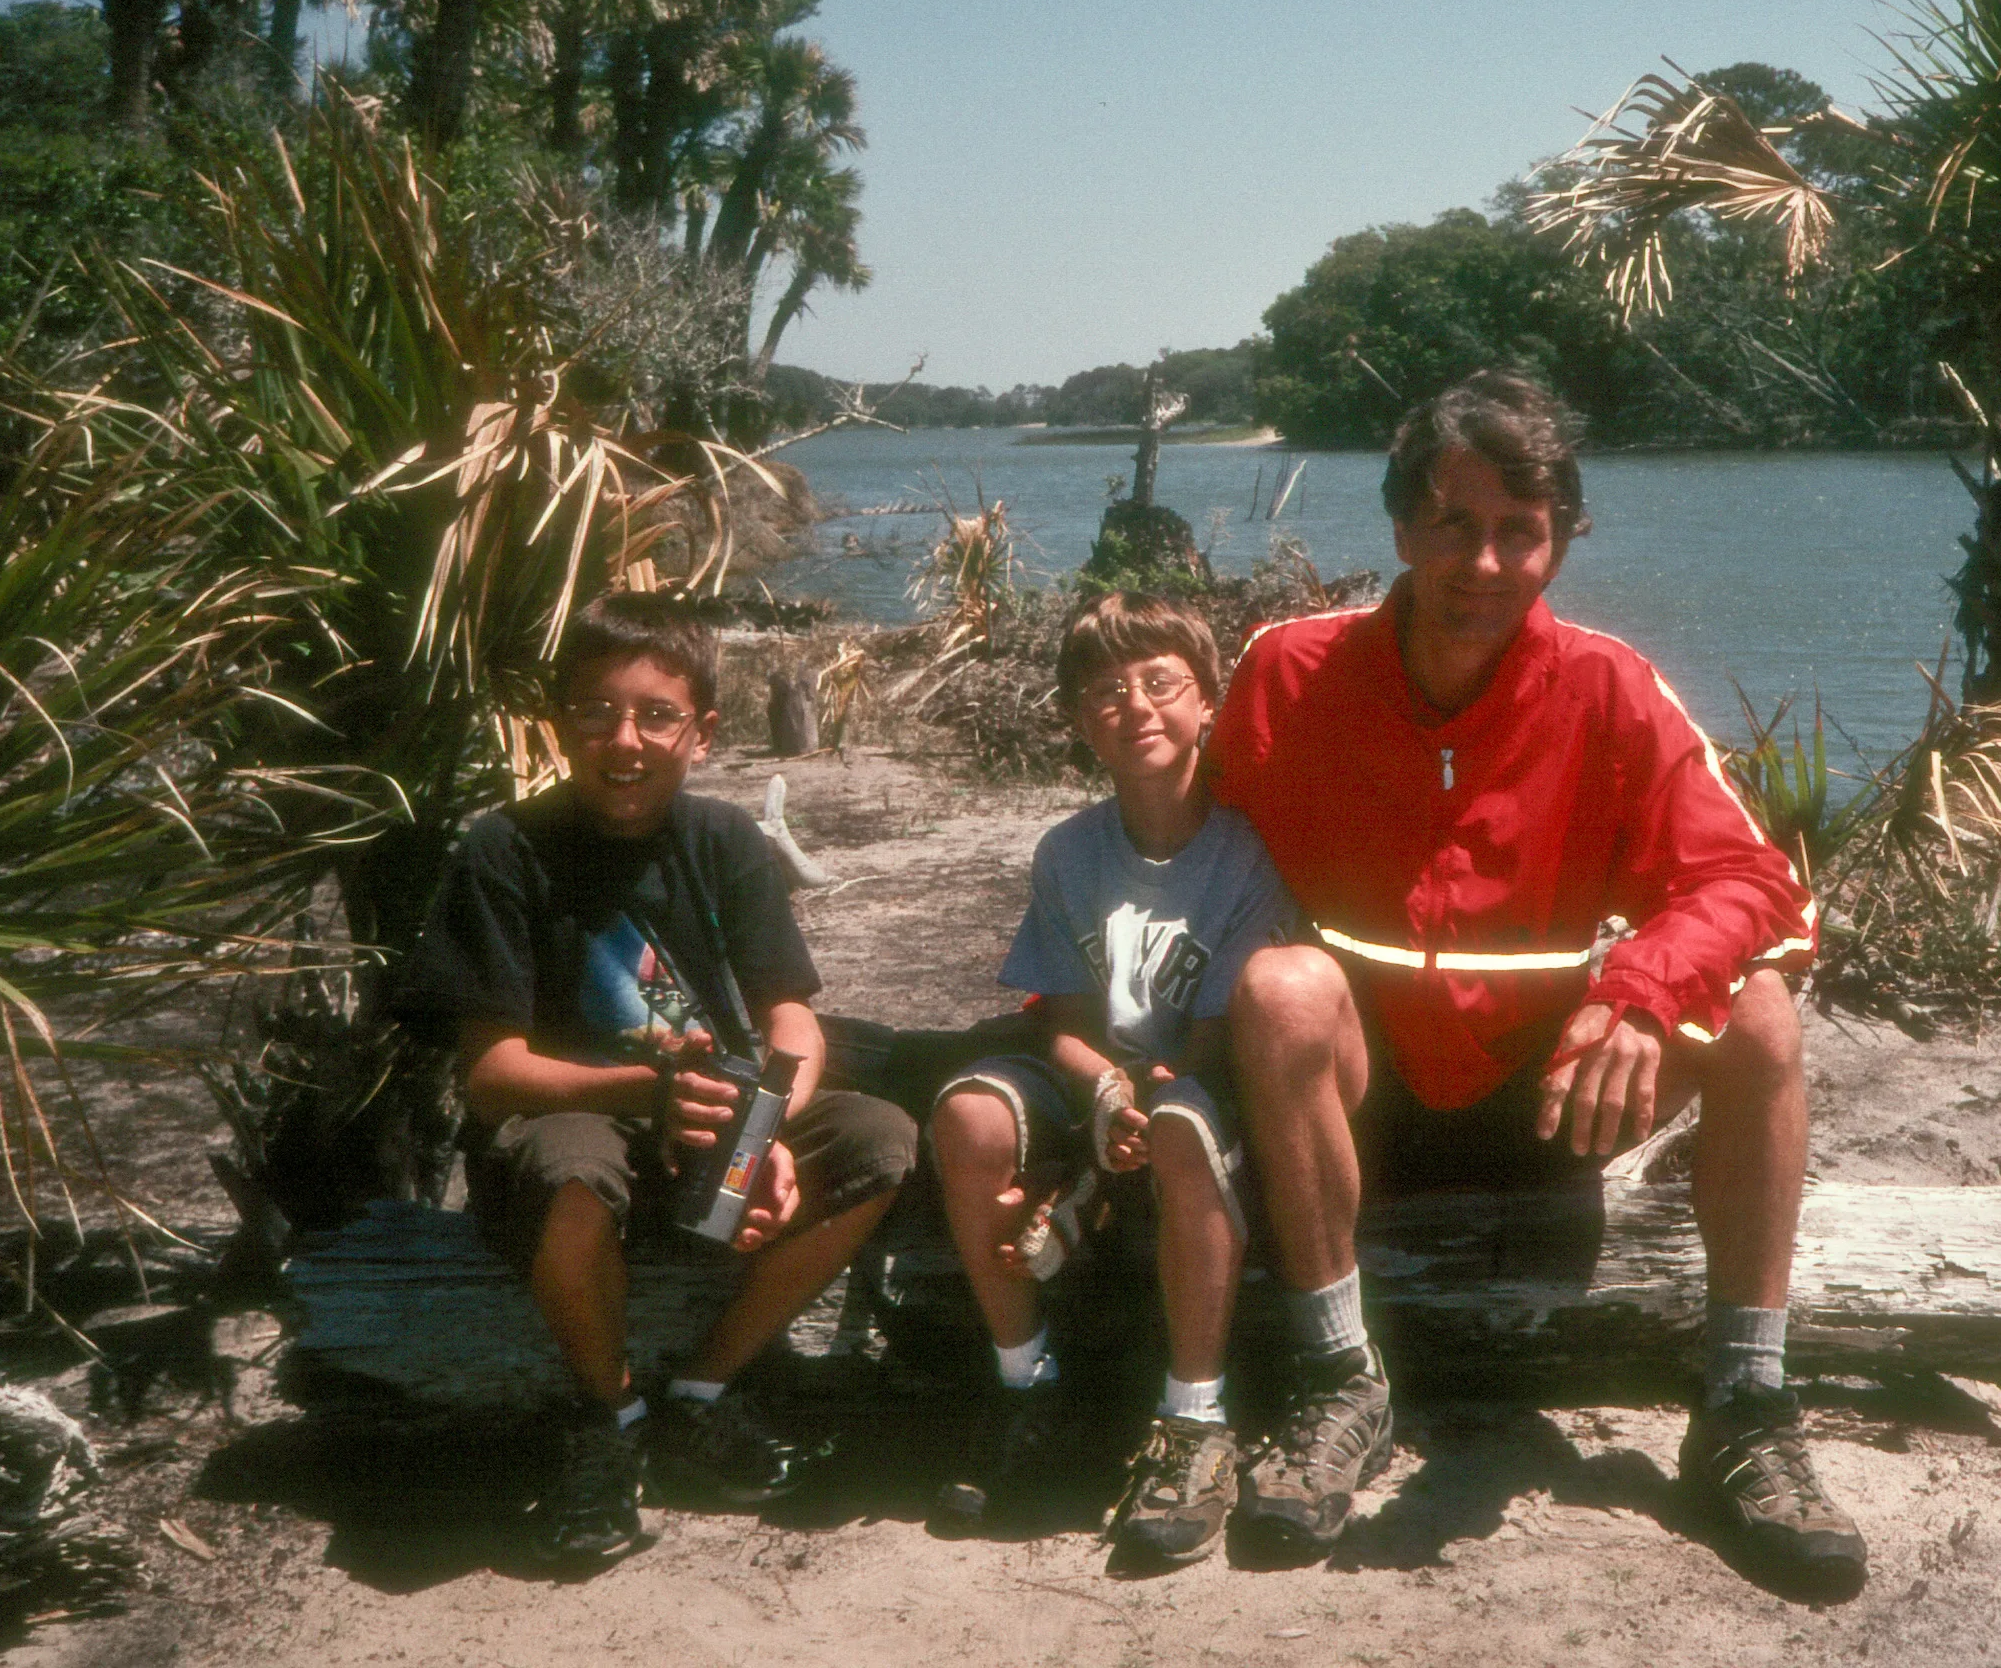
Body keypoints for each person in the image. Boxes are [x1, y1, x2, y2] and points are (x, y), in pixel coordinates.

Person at [1210, 371, 1867, 1595]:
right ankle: (1337, 1377)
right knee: (1286, 985)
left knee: (1759, 1012)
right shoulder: (1288, 676)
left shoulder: (1610, 687)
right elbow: (1184, 861)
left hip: (1553, 1097)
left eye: (1523, 529)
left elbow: (1761, 885)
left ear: (1561, 539)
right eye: (1454, 522)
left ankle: (1746, 1403)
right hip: (1361, 1105)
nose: (1487, 560)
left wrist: (1640, 988)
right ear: (1403, 528)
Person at [402, 592, 919, 1571]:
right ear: (559, 723)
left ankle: (702, 1393)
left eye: (657, 714)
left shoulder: (724, 842)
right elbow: (491, 1072)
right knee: (570, 1169)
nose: (624, 739)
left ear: (704, 731)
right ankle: (614, 1417)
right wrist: (643, 1090)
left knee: (882, 1138)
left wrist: (764, 1129)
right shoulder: (503, 851)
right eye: (596, 712)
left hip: (713, 1120)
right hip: (576, 1115)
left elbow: (791, 1019)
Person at [927, 593, 1301, 1567]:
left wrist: (1140, 1103)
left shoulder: (1249, 849)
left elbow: (1224, 1031)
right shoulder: (1070, 851)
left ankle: (1194, 1415)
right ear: (1079, 718)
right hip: (1096, 1072)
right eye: (1105, 691)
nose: (1135, 705)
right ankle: (1025, 1379)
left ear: (1209, 701)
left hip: (1194, 1078)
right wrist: (1101, 1093)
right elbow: (1062, 1021)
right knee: (968, 1117)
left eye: (1161, 682)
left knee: (1179, 1123)